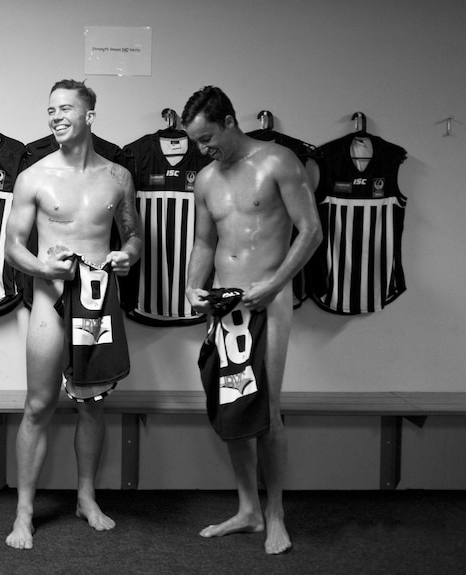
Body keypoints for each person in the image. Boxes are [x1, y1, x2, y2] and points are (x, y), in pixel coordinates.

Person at [181, 85, 322, 555]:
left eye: (207, 138)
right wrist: (190, 287)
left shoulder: (278, 161)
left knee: (267, 411)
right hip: (224, 306)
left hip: (267, 299)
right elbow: (204, 244)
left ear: (228, 121)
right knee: (234, 407)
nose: (204, 149)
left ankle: (276, 513)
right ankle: (248, 509)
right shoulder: (205, 180)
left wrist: (276, 284)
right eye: (197, 142)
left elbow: (311, 231)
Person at [3, 79, 142, 550]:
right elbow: (11, 247)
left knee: (92, 404)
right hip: (50, 300)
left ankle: (86, 497)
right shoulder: (34, 176)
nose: (56, 116)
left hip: (97, 302)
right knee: (38, 406)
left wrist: (128, 256)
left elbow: (134, 237)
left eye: (65, 108)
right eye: (50, 110)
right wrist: (42, 266)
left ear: (89, 116)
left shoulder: (118, 177)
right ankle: (23, 513)